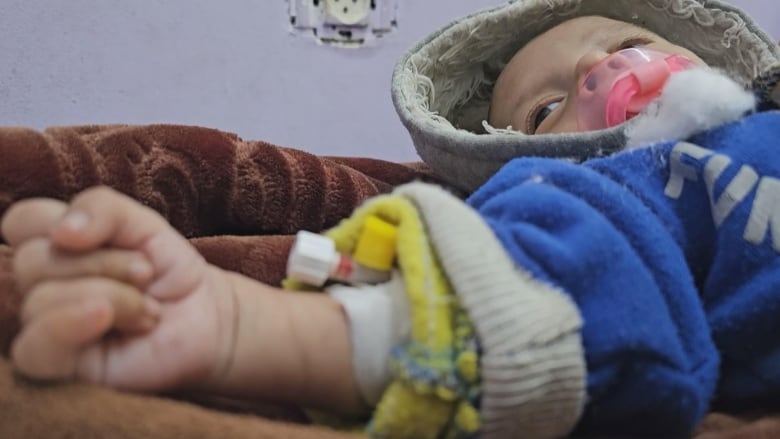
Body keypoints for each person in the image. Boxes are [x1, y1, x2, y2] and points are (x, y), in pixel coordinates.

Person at [4, 4, 780, 439]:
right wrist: (253, 328)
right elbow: (559, 285)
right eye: (545, 110)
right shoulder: (652, 187)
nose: (595, 70)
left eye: (629, 41)